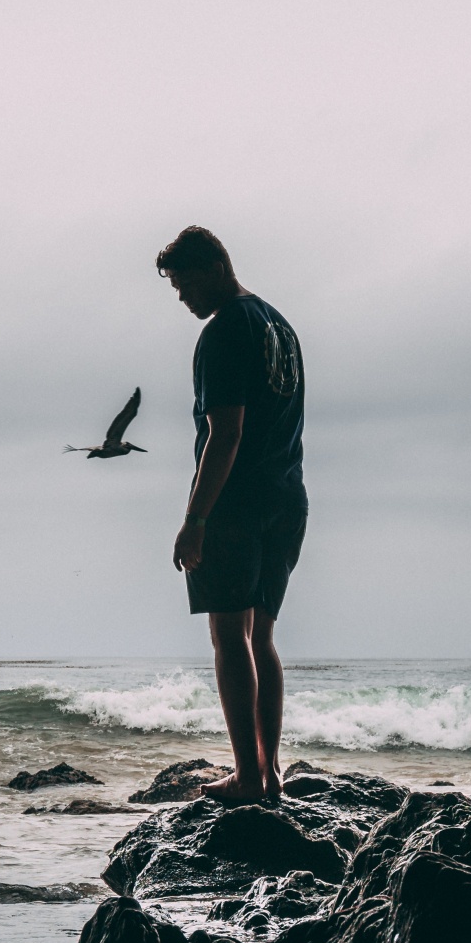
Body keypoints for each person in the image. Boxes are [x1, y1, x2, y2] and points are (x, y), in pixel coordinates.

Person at [158, 225, 307, 804]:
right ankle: (270, 774)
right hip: (287, 499)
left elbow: (225, 433)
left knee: (228, 636)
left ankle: (248, 778)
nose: (183, 298)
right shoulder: (280, 325)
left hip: (234, 506)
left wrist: (196, 518)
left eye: (187, 284)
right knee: (261, 636)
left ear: (217, 267)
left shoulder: (223, 333)